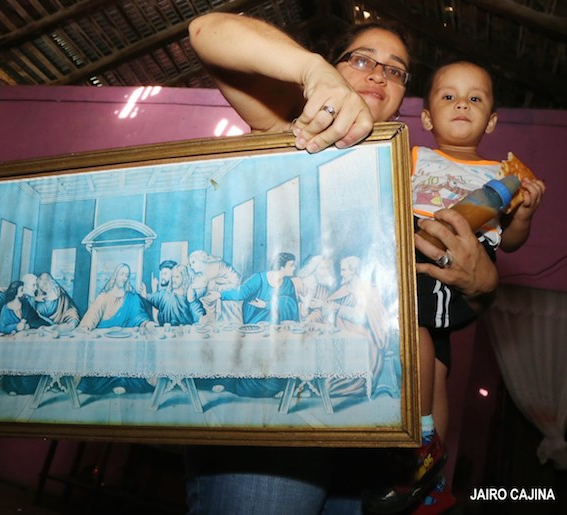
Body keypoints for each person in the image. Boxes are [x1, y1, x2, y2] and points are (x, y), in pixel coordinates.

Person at [185, 13, 501, 515]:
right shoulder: (295, 126)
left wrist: (483, 286)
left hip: (378, 439)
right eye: (361, 60)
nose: (378, 74)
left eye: (394, 70)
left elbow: (436, 309)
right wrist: (314, 74)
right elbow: (206, 32)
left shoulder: (410, 178)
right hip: (282, 418)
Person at [363, 60, 546, 514]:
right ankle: (431, 480)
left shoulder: (503, 176)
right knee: (438, 367)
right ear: (426, 118)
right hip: (411, 249)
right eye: (448, 96)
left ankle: (420, 440)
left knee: (413, 328)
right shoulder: (412, 156)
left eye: (474, 98)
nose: (461, 104)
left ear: (492, 121)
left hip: (457, 262)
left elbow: (511, 242)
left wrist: (523, 213)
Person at [76, 263, 154, 395]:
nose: (124, 278)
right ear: (115, 275)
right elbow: (93, 315)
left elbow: (139, 315)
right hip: (105, 338)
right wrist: (86, 326)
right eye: (122, 274)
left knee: (128, 351)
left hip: (126, 339)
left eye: (127, 275)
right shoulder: (104, 296)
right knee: (97, 351)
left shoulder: (132, 297)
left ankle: (121, 382)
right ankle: (89, 384)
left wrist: (147, 323)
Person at [326, 256, 388, 399]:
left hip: (363, 334)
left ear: (353, 271)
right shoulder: (345, 288)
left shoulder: (368, 289)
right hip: (343, 332)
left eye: (344, 270)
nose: (341, 274)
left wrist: (338, 308)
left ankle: (349, 384)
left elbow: (363, 318)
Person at [209, 252, 300, 325]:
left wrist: (266, 305)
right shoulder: (259, 279)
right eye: (291, 265)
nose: (294, 268)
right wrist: (220, 294)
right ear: (282, 267)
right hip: (257, 319)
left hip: (279, 323)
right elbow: (241, 293)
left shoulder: (288, 283)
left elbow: (292, 305)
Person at [139, 264, 206, 326]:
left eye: (177, 277)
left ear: (184, 278)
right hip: (165, 331)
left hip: (184, 332)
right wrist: (144, 294)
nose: (174, 280)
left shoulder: (189, 296)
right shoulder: (164, 294)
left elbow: (197, 313)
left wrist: (201, 319)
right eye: (173, 277)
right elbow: (152, 298)